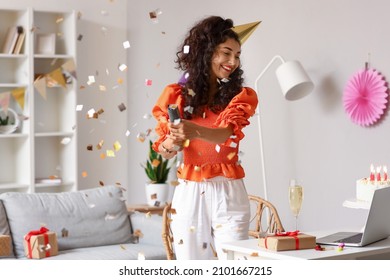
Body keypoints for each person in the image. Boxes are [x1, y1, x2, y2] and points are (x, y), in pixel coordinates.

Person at [151, 15, 258, 260]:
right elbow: (165, 150)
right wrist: (172, 141)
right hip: (189, 191)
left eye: (237, 55)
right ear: (207, 52)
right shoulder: (175, 95)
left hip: (228, 190)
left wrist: (194, 130)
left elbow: (227, 135)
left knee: (236, 264)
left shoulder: (240, 96)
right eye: (226, 53)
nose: (233, 61)